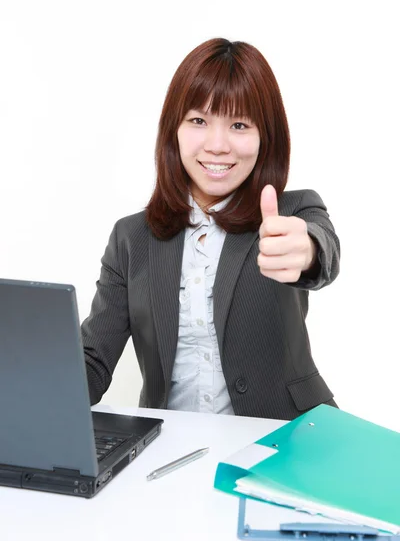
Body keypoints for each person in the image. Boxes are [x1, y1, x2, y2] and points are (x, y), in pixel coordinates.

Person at [82, 38, 340, 420]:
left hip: (286, 441)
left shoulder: (291, 212)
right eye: (199, 121)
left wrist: (308, 253)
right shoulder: (131, 238)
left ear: (264, 137)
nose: (217, 145)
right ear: (175, 130)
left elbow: (323, 250)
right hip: (169, 453)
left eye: (238, 124)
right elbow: (93, 362)